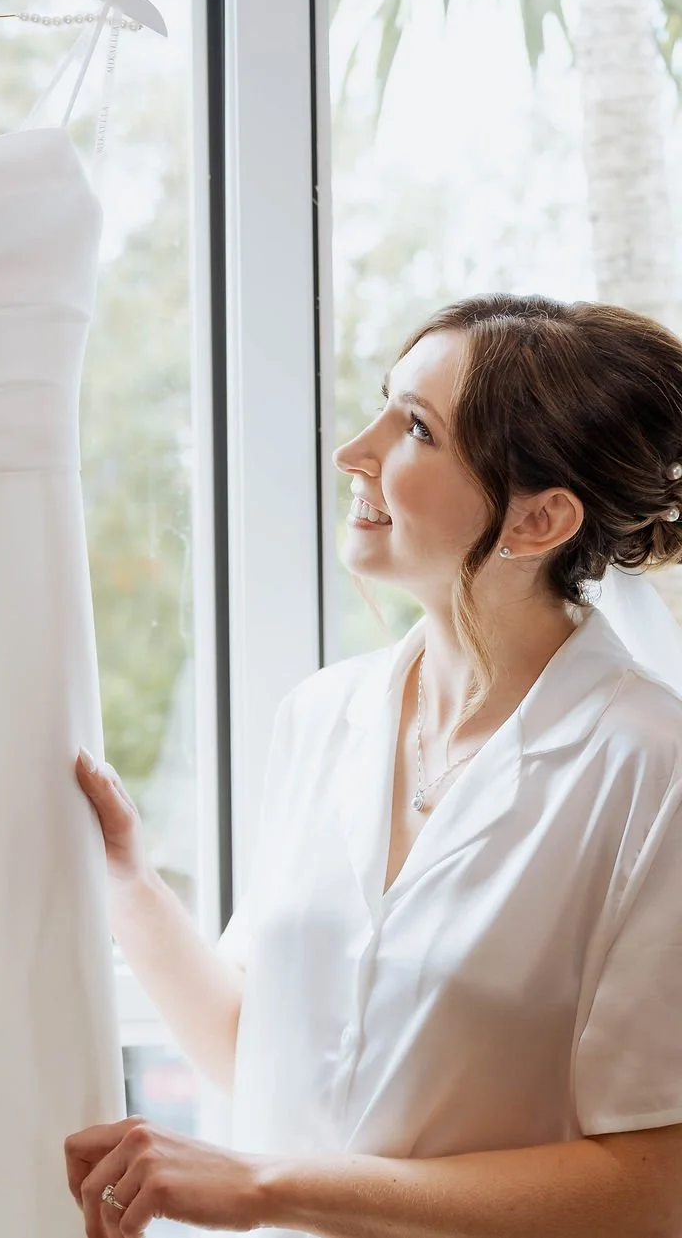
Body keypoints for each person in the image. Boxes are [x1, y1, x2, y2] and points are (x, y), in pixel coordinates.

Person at [64, 294, 682, 1238]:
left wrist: (271, 1185)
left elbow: (653, 1184)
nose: (355, 448)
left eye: (416, 428)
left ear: (541, 518)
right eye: (383, 405)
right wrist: (128, 880)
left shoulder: (650, 769)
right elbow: (253, 1047)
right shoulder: (321, 717)